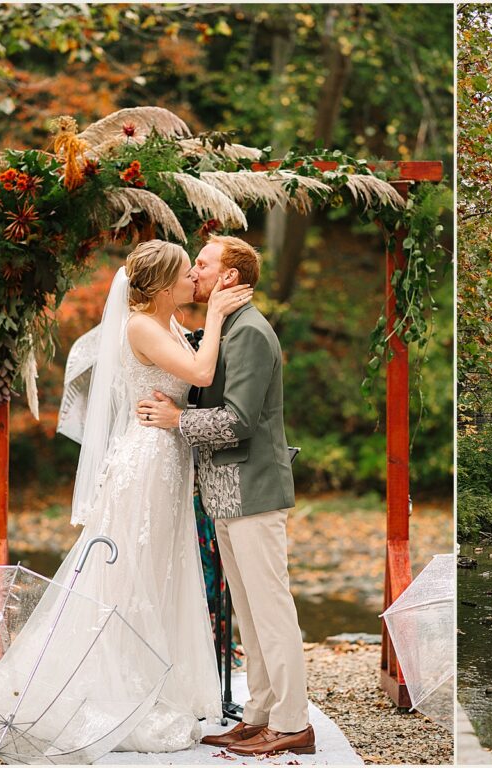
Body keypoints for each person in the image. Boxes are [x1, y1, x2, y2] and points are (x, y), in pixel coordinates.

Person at [0, 240, 253, 754]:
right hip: (147, 464)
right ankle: (113, 690)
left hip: (169, 458)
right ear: (161, 286)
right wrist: (222, 313)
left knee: (159, 572)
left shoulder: (168, 324)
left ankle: (157, 685)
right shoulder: (140, 325)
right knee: (129, 574)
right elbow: (201, 373)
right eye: (186, 274)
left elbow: (195, 376)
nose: (193, 282)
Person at [137, 235, 314, 757]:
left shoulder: (252, 333)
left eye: (203, 264)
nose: (194, 271)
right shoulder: (227, 329)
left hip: (255, 490)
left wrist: (177, 419)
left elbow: (238, 422)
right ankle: (260, 715)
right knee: (252, 614)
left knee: (272, 611)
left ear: (229, 277)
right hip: (229, 494)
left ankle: (293, 723)